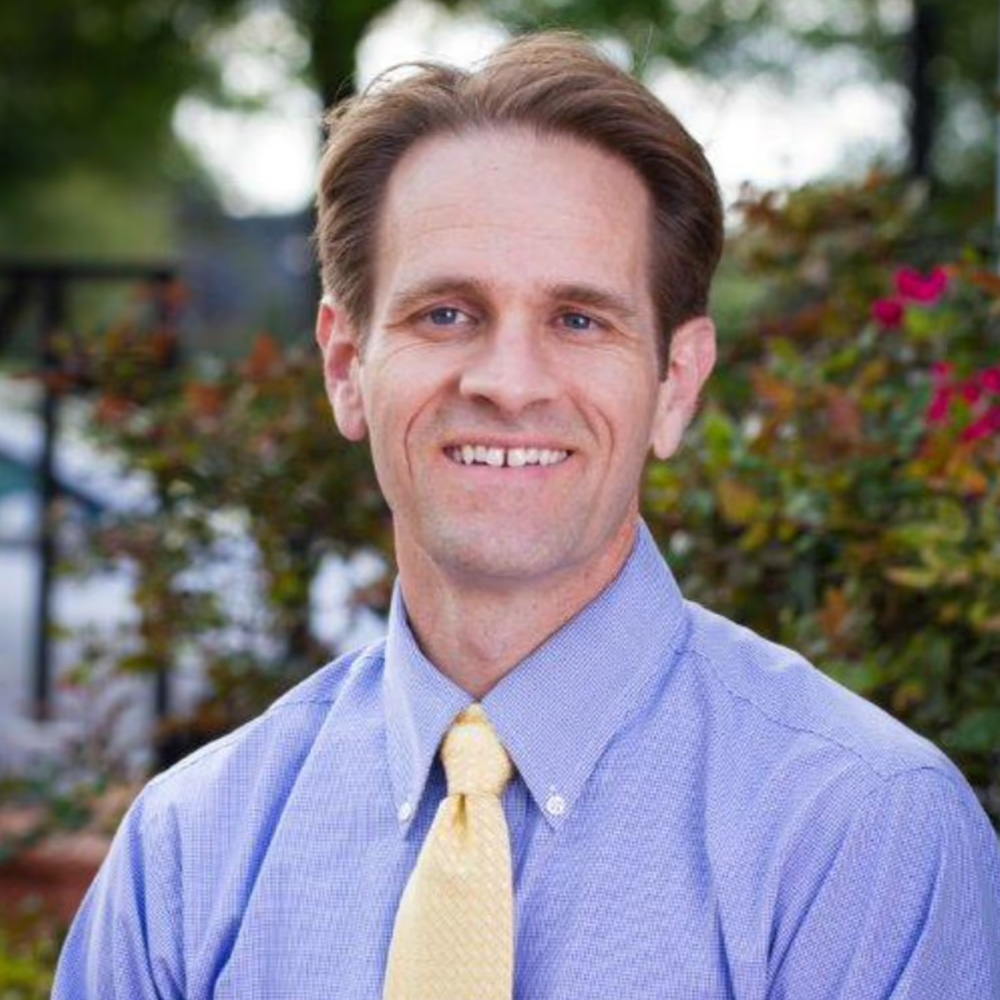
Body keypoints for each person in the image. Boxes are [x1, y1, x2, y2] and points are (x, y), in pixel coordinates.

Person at [54, 32, 999, 1000]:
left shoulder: (860, 833)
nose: (508, 383)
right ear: (346, 366)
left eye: (579, 320)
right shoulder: (187, 848)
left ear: (676, 381)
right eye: (446, 314)